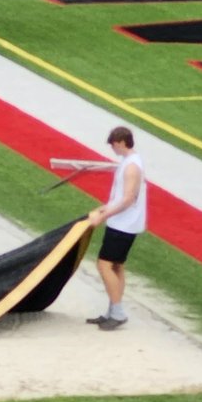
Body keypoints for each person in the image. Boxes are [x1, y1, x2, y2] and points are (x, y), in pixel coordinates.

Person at [86, 126, 147, 331]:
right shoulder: (129, 162)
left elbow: (128, 199)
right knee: (116, 266)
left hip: (123, 224)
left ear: (121, 142)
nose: (113, 149)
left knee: (104, 265)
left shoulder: (131, 167)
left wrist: (105, 216)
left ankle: (118, 312)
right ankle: (113, 310)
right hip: (125, 223)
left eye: (114, 145)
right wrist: (104, 209)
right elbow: (120, 196)